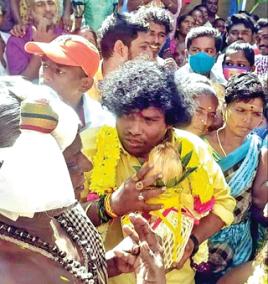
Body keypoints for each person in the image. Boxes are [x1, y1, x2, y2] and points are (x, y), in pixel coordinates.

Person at [81, 59, 236, 284]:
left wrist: (192, 242)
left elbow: (223, 204)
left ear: (169, 122)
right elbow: (59, 220)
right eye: (127, 115)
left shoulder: (192, 149)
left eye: (149, 120)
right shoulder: (89, 147)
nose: (134, 129)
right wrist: (111, 205)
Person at [0, 76, 166, 284]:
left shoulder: (57, 213)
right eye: (69, 164)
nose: (88, 166)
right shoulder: (11, 272)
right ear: (17, 176)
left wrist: (103, 265)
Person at [201, 73, 266, 282]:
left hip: (241, 241)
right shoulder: (200, 146)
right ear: (225, 106)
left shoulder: (256, 147)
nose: (248, 120)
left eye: (256, 113)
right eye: (240, 110)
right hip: (203, 238)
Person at [25, 34, 115, 129]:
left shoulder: (103, 125)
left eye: (58, 71)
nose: (46, 75)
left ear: (85, 84)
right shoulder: (19, 111)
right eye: (44, 65)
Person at [88, 12, 153, 101]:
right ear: (120, 49)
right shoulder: (84, 91)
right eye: (143, 47)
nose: (150, 54)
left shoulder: (147, 88)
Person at [6, 0, 62, 80]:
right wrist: (40, 48)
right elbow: (20, 83)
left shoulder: (65, 36)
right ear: (30, 12)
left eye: (51, 3)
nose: (48, 9)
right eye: (40, 4)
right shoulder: (17, 41)